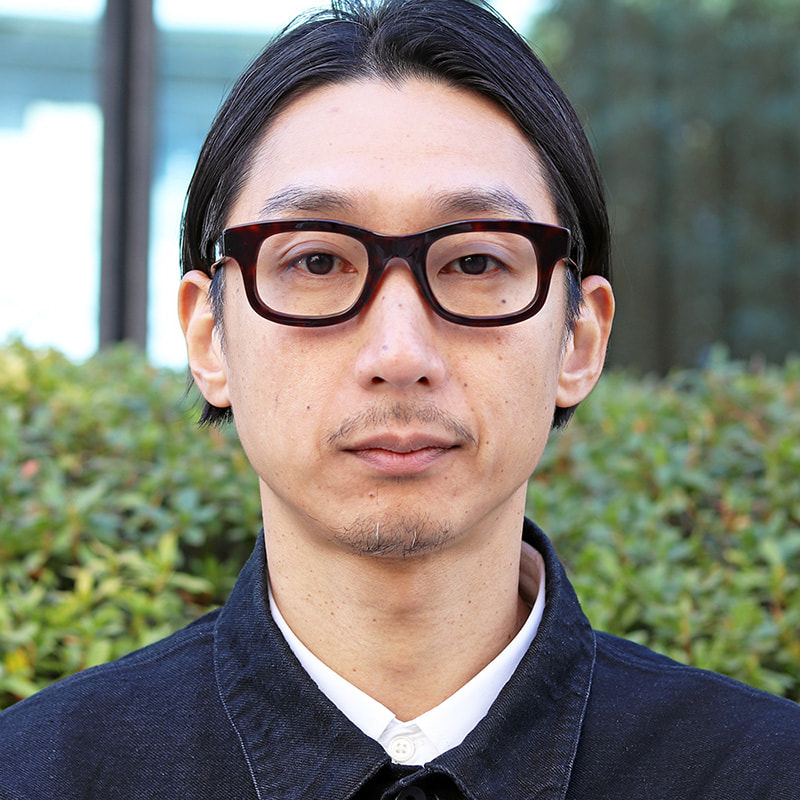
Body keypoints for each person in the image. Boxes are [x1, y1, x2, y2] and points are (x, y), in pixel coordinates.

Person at [1, 1, 798, 797]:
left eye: (476, 263)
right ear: (209, 337)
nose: (399, 355)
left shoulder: (761, 772)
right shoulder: (41, 773)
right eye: (316, 262)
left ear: (579, 340)